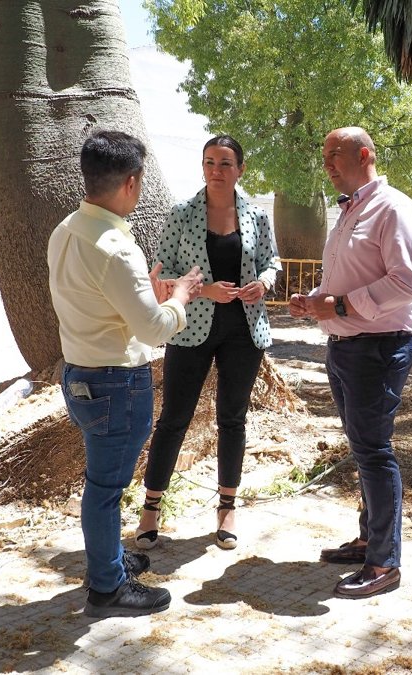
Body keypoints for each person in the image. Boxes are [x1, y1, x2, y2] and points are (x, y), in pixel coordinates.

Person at [47, 129, 203, 618]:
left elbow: (97, 302)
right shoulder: (115, 247)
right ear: (132, 182)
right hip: (116, 382)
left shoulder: (66, 229)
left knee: (102, 483)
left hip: (81, 373)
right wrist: (181, 297)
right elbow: (153, 330)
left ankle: (109, 560)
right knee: (105, 490)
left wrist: (145, 298)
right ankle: (108, 588)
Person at [288, 126, 412, 599]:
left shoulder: (394, 209)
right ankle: (370, 540)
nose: (327, 163)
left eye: (335, 154)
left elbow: (407, 284)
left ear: (364, 155)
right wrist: (316, 301)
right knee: (363, 448)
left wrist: (340, 306)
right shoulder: (350, 210)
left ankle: (384, 563)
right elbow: (348, 279)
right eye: (325, 155)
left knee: (373, 451)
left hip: (377, 349)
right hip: (347, 347)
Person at [134, 135, 282, 551]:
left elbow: (272, 261)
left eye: (225, 163)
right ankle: (150, 509)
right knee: (173, 419)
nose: (216, 170)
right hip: (190, 330)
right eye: (210, 162)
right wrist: (205, 290)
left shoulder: (256, 215)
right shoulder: (181, 214)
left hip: (244, 332)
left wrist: (264, 283)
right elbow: (162, 277)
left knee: (233, 420)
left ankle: (227, 509)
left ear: (241, 169)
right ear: (202, 167)